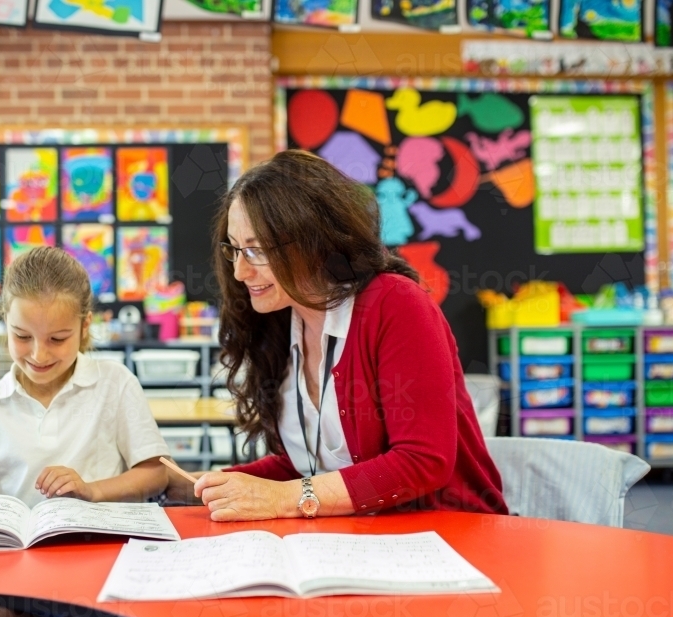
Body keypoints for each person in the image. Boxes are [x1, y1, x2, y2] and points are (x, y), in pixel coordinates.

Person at [186, 150, 507, 521]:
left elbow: (421, 461)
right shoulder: (279, 322)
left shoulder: (395, 304)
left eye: (256, 251)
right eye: (235, 250)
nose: (240, 272)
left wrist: (285, 498)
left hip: (449, 536)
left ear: (313, 242)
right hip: (358, 542)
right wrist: (209, 485)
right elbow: (310, 468)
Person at [0, 247, 169, 617]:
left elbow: (155, 474)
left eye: (58, 339)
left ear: (85, 326)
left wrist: (91, 490)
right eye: (22, 336)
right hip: (10, 586)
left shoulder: (114, 384)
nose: (39, 354)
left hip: (97, 573)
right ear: (5, 322)